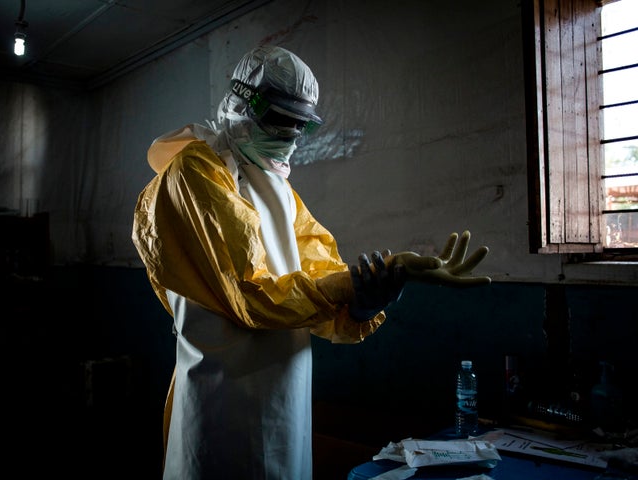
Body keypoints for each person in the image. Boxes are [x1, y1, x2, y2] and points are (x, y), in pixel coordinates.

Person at [131, 45, 490, 480]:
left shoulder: (282, 194)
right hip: (221, 400)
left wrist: (366, 298)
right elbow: (252, 296)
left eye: (301, 125)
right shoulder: (196, 173)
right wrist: (350, 289)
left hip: (286, 400)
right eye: (283, 121)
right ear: (245, 104)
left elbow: (319, 292)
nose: (293, 136)